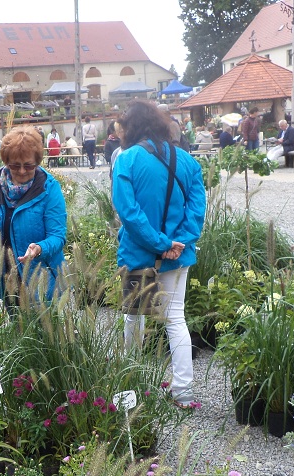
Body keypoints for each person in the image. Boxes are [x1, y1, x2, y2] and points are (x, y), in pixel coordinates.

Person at [112, 99, 206, 409]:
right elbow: (197, 211)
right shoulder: (188, 161)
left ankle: (130, 382)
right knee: (175, 319)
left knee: (133, 317)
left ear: (131, 128)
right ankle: (183, 392)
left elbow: (128, 212)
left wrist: (159, 242)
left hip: (139, 254)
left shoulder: (126, 160)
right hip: (178, 256)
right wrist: (177, 242)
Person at [0, 126, 67, 307]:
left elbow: (58, 236)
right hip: (5, 277)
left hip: (41, 278)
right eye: (15, 165)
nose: (22, 171)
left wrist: (40, 248)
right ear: (6, 162)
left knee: (45, 323)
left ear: (37, 162)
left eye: (29, 165)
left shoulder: (49, 188)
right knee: (15, 321)